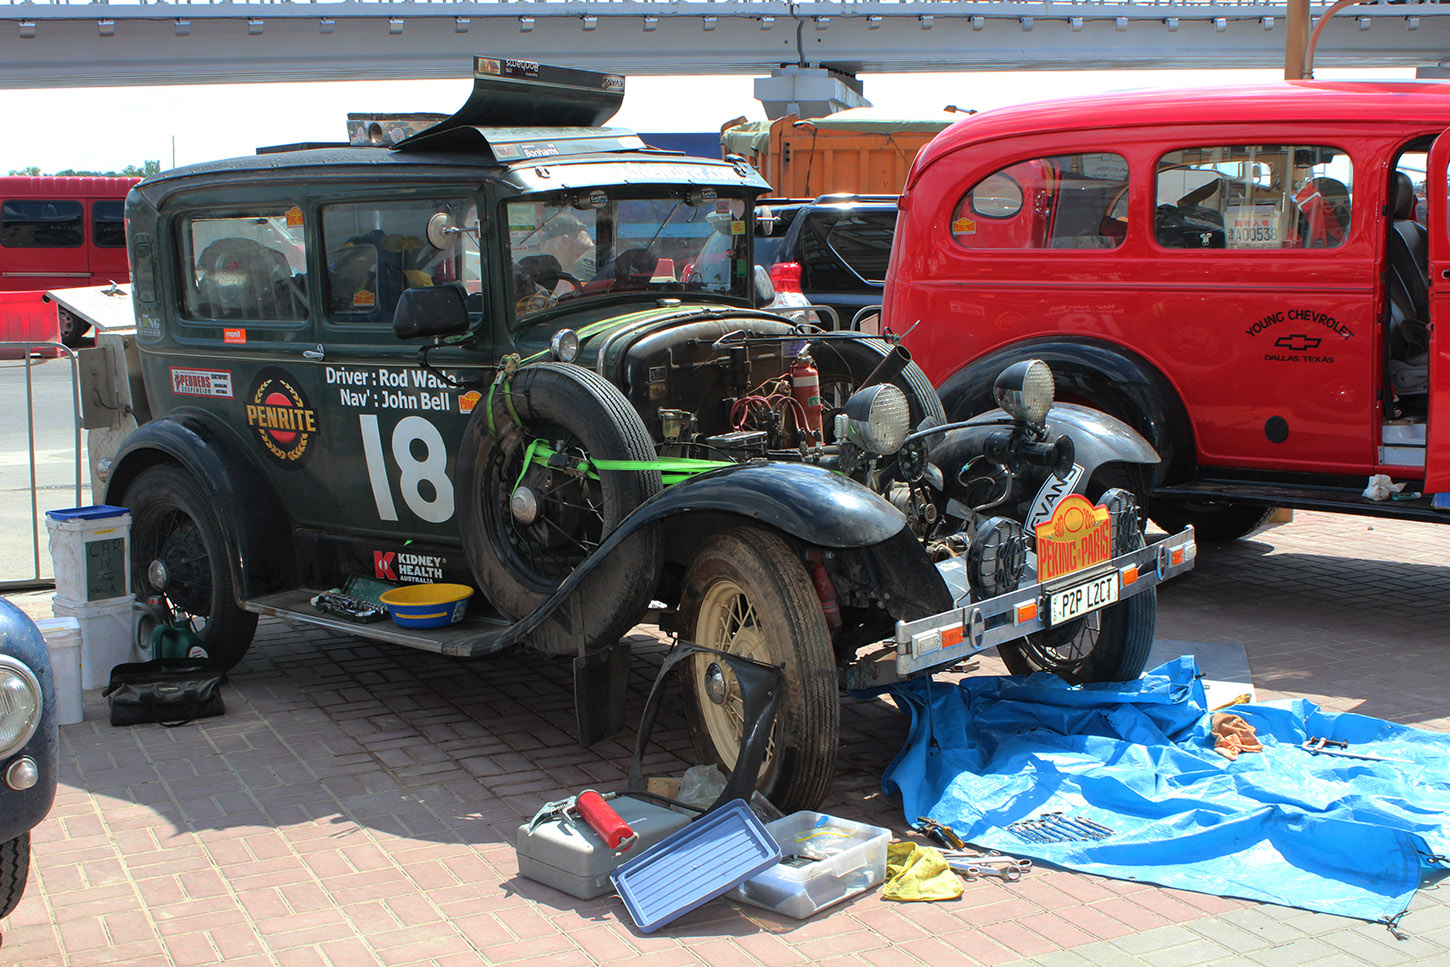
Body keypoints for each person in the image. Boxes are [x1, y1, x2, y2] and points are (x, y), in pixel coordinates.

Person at [538, 212, 596, 282]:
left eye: (551, 256)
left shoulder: (583, 266)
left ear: (565, 242)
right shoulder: (599, 255)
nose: (550, 265)